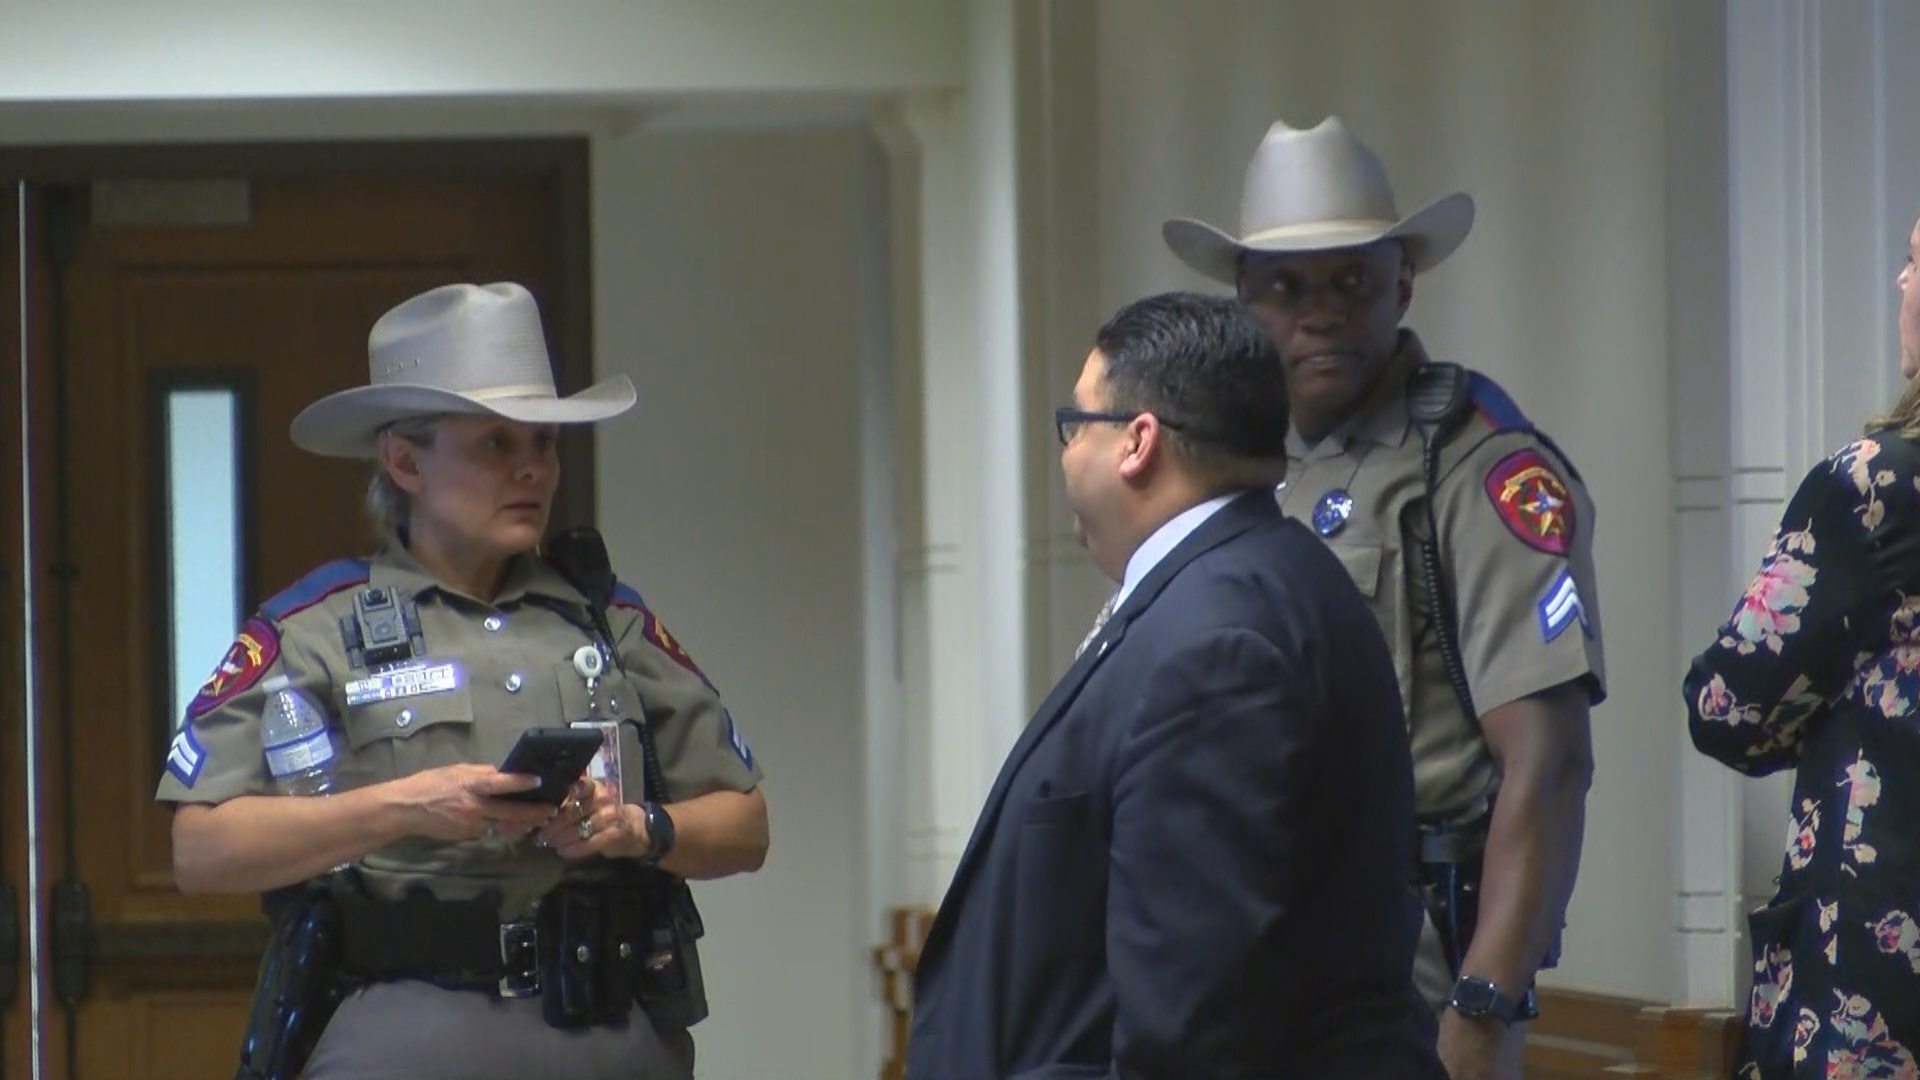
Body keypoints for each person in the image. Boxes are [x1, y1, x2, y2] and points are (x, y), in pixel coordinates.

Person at [154, 282, 770, 1080]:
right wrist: (406, 806)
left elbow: (747, 826)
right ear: (404, 460)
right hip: (408, 1030)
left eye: (543, 445)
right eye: (495, 445)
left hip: (609, 1025)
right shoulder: (314, 632)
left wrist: (642, 828)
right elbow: (199, 854)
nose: (532, 471)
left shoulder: (605, 620)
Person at [1161, 116, 1605, 1080]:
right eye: (1287, 287)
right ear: (1242, 301)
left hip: (1407, 955)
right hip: (1251, 943)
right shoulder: (1235, 468)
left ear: (1402, 284)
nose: (1321, 312)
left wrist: (1482, 1009)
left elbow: (1549, 763)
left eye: (1350, 280)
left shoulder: (1475, 464)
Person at [904, 291, 1445, 1080]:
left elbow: (1193, 1022)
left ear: (1137, 442)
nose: (1063, 453)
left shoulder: (1219, 640)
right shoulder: (1238, 585)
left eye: (1074, 425)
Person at [1681, 212, 1920, 1079]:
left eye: (1915, 261)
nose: (1900, 284)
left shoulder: (1873, 491)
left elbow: (1726, 705)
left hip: (1877, 989)